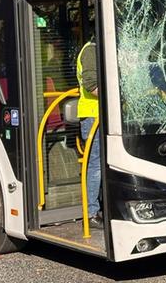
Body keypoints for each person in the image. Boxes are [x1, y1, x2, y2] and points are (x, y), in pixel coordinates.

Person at [76, 36, 103, 229]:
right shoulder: (91, 50)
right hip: (93, 116)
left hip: (105, 116)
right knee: (95, 165)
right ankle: (91, 212)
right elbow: (91, 84)